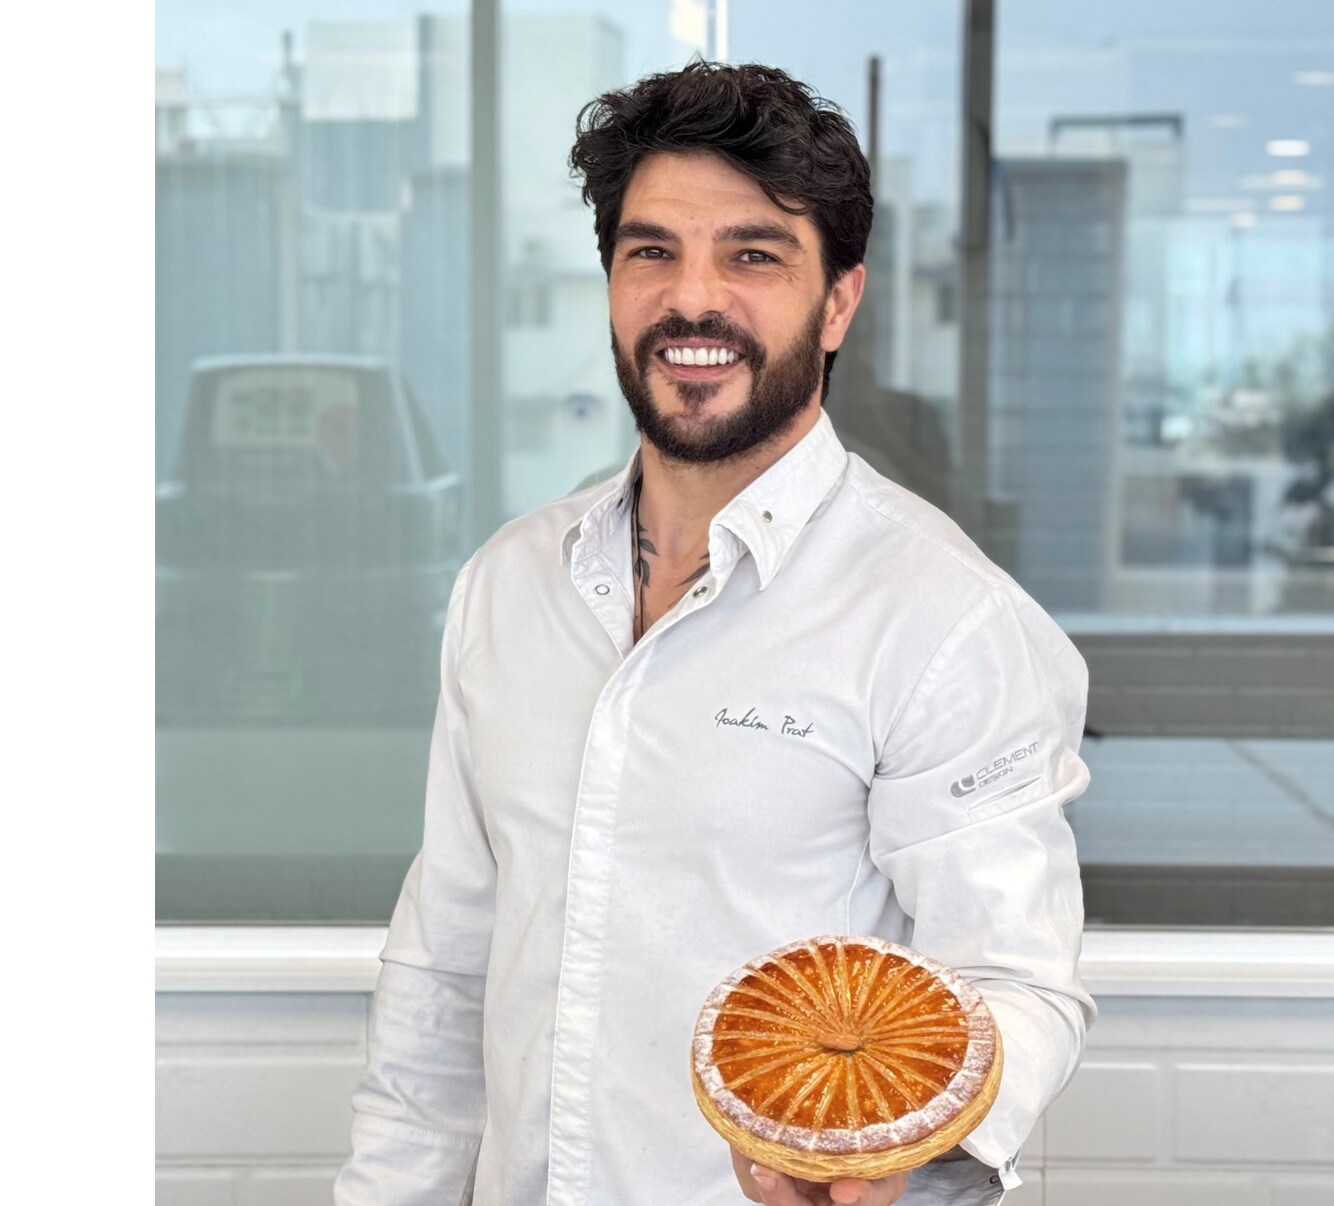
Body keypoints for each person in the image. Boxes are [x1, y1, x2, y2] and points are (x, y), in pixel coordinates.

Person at [335, 61, 1095, 1206]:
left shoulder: (940, 618)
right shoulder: (509, 584)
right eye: (651, 251)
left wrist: (896, 1148)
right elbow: (446, 965)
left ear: (837, 302)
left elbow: (1013, 984)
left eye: (752, 256)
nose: (692, 300)